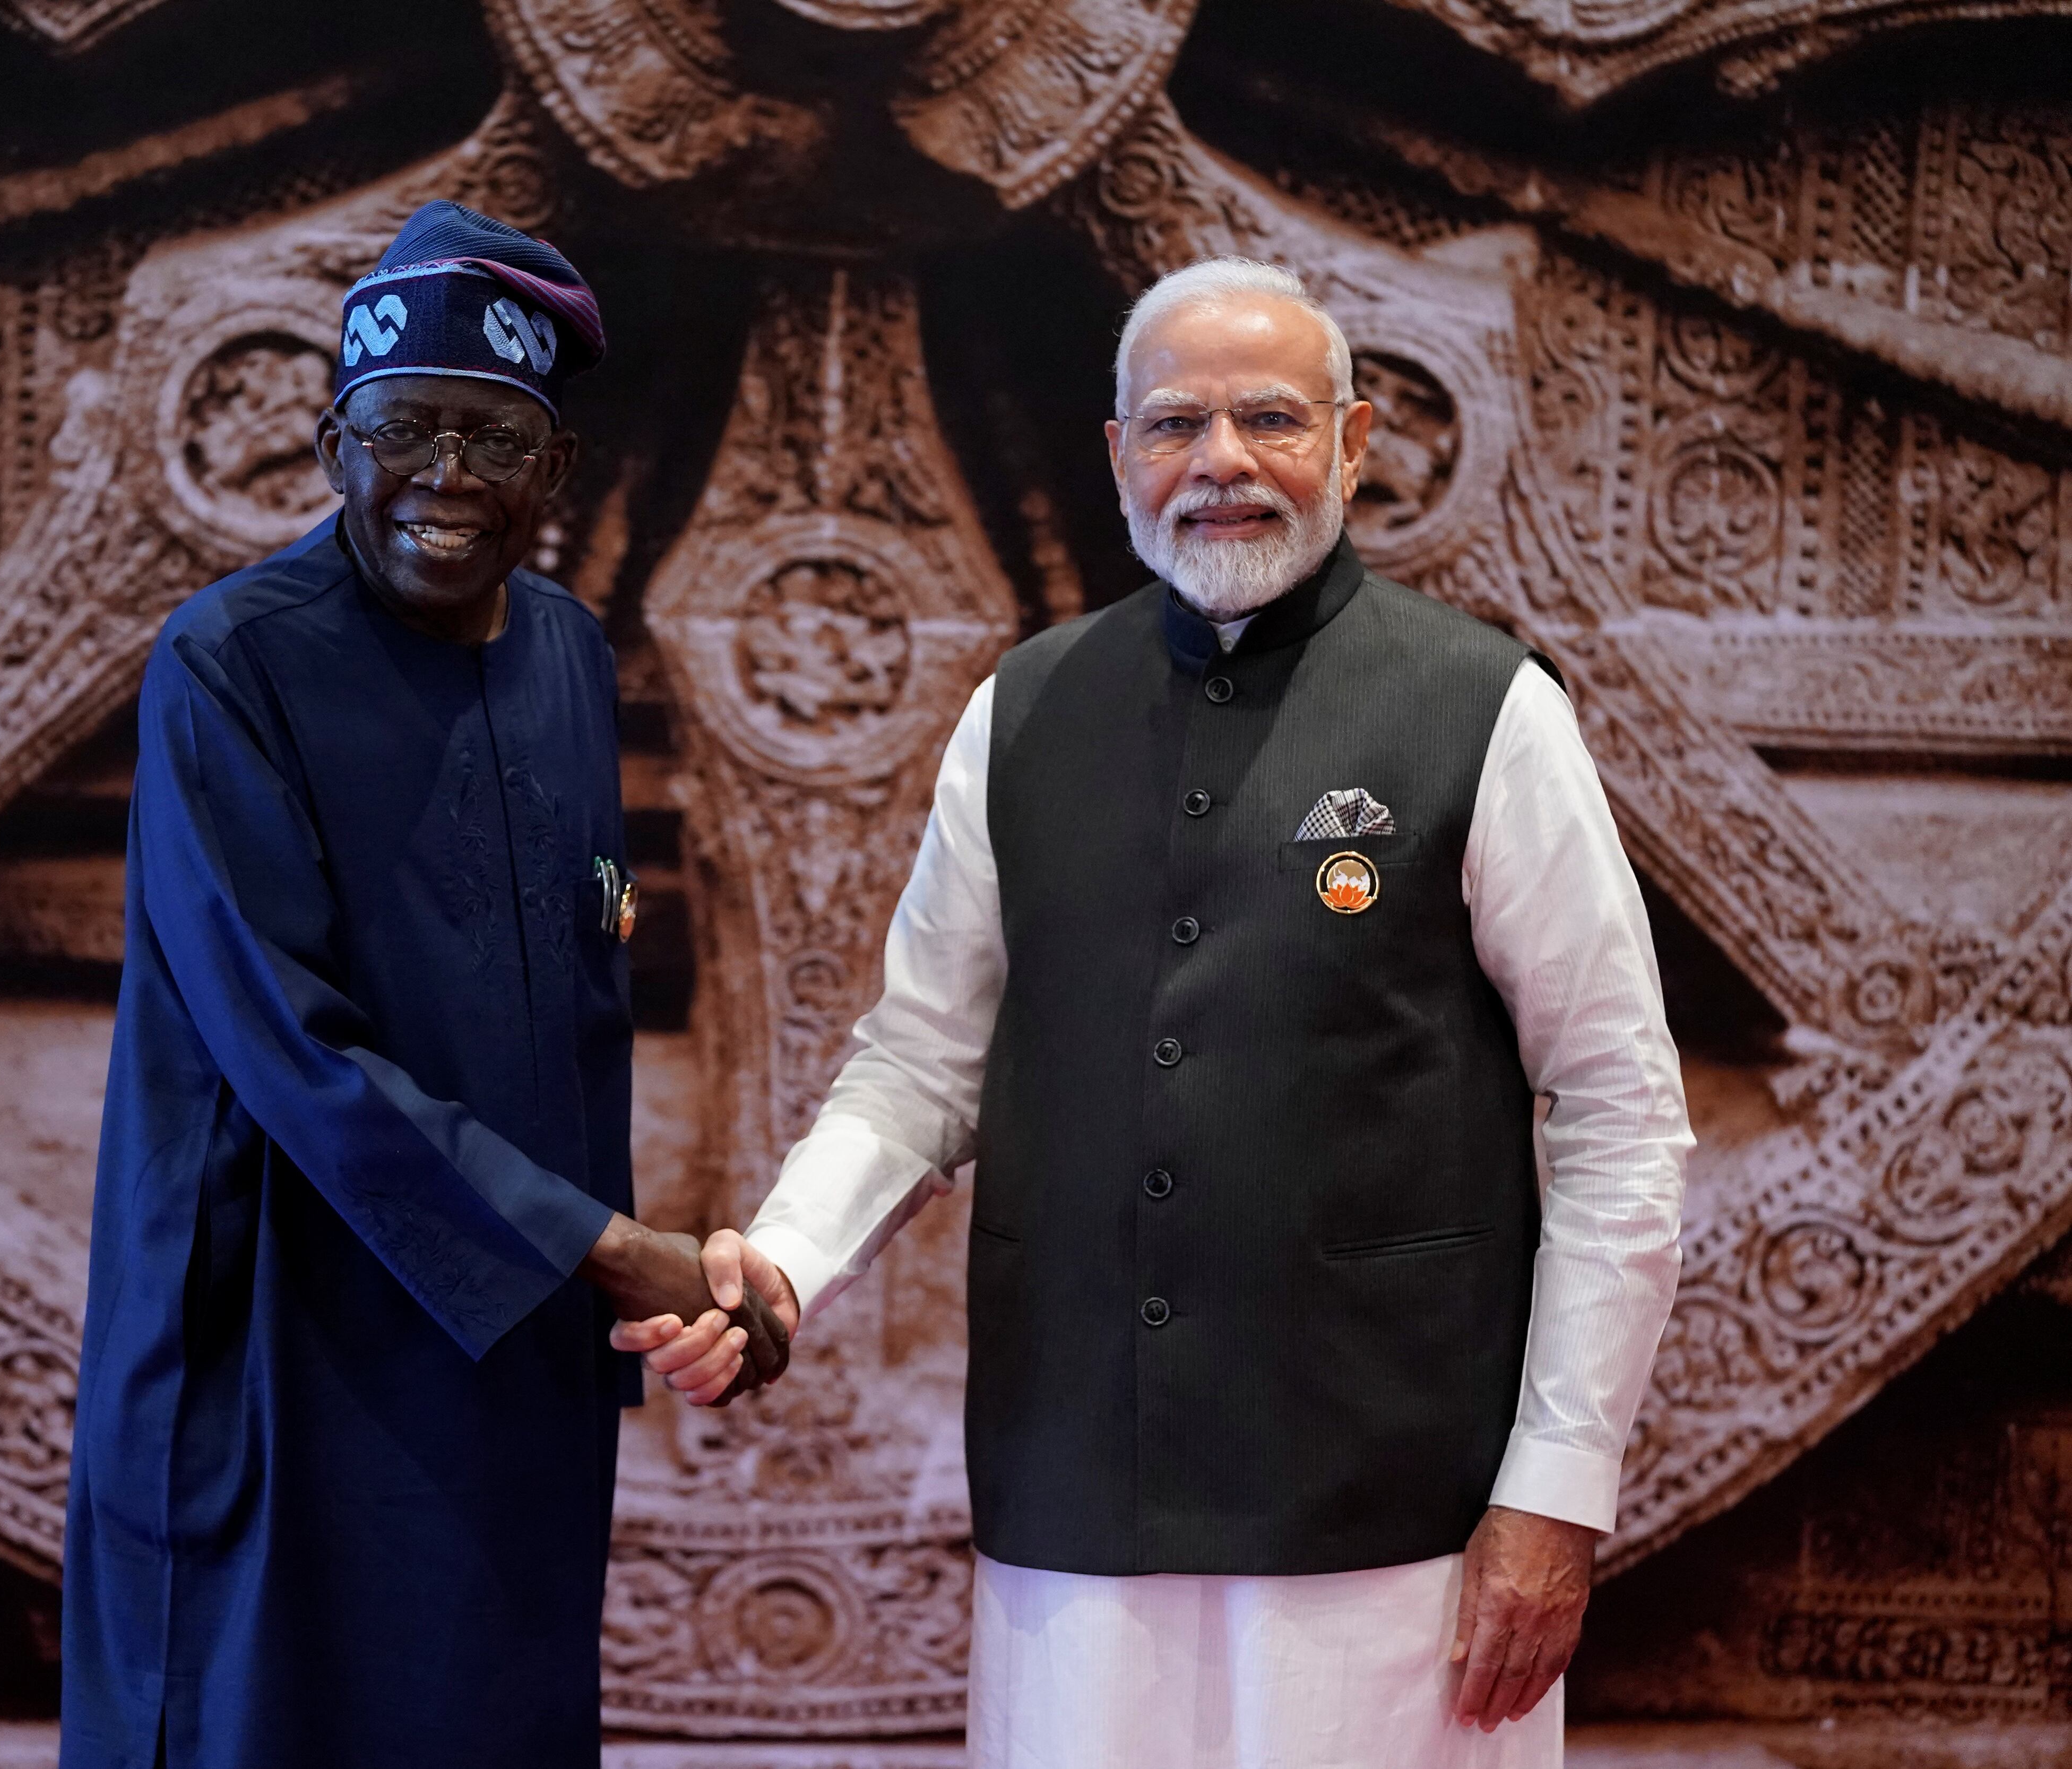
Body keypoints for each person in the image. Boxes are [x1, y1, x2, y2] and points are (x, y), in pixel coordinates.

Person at [627, 257, 1690, 1766]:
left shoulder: (1487, 709)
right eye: (1179, 424)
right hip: (1074, 1498)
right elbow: (923, 1060)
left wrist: (1558, 1490)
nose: (1225, 464)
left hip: (1393, 1516)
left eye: (1272, 419)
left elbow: (1620, 1113)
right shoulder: (1024, 709)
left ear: (1356, 440)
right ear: (1119, 454)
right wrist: (787, 1263)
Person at [62, 201, 787, 1769]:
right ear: (333, 447)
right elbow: (293, 1054)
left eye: (492, 440)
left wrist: (649, 1288)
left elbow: (582, 1033)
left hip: (513, 1349)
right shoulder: (227, 664)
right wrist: (613, 1254)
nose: (446, 481)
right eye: (405, 433)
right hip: (275, 1341)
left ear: (557, 471)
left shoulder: (571, 662)